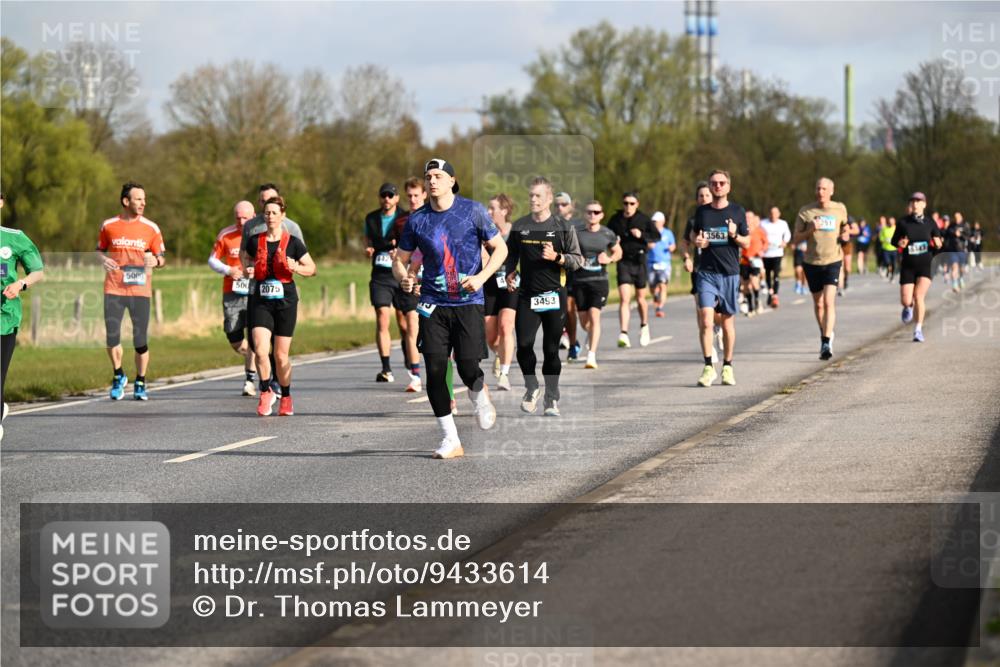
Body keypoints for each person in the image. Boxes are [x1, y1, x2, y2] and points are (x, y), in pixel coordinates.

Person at [394, 158, 507, 460]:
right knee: (434, 369)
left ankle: (479, 392)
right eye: (428, 176)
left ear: (452, 181)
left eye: (438, 176)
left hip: (468, 302)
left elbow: (501, 249)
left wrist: (482, 277)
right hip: (432, 303)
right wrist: (405, 278)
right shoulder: (417, 220)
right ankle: (450, 439)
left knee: (468, 365)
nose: (432, 181)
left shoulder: (473, 211)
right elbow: (400, 259)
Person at [505, 177, 583, 416]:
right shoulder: (520, 226)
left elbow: (578, 260)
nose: (533, 200)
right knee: (524, 345)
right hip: (527, 295)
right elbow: (510, 255)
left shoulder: (563, 226)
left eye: (538, 196)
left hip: (554, 296)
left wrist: (557, 258)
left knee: (551, 350)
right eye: (531, 196)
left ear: (549, 199)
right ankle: (531, 388)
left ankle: (551, 398)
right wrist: (509, 272)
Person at [243, 196, 316, 416]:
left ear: (282, 215)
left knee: (281, 356)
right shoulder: (255, 241)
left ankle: (286, 395)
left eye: (275, 213)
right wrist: (248, 269)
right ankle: (266, 391)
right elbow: (245, 259)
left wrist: (296, 268)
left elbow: (312, 269)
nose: (270, 216)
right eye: (267, 213)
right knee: (260, 348)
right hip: (261, 300)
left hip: (285, 301)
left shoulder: (293, 242)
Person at [96, 182, 165, 401]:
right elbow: (99, 251)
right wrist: (103, 259)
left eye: (144, 199)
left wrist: (155, 260)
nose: (143, 203)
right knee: (112, 336)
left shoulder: (151, 228)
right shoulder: (108, 225)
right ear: (126, 201)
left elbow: (162, 258)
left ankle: (141, 382)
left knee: (140, 340)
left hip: (140, 290)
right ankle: (118, 375)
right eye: (138, 199)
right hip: (114, 287)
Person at [690, 170, 749, 387]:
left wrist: (734, 234)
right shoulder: (702, 212)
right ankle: (708, 367)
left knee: (727, 323)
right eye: (714, 183)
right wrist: (698, 242)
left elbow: (747, 242)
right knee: (706, 320)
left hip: (730, 273)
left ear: (728, 187)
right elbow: (694, 235)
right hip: (706, 272)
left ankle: (728, 366)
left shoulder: (737, 211)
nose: (717, 186)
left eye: (722, 183)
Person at [1, 193, 45, 441]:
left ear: (1, 202)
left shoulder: (14, 238)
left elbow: (37, 271)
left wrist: (20, 284)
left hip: (4, 318)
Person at [364, 182, 418, 386]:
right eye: (383, 195)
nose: (386, 198)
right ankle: (386, 368)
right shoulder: (370, 218)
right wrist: (368, 250)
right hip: (380, 275)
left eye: (390, 195)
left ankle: (409, 352)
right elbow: (367, 241)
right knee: (382, 316)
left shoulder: (404, 218)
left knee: (405, 323)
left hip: (400, 274)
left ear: (396, 198)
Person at [792, 177, 850, 361]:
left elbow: (845, 227)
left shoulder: (840, 208)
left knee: (828, 302)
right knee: (818, 304)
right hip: (811, 262)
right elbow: (796, 239)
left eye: (824, 189)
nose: (821, 192)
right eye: (818, 188)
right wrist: (810, 230)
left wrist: (846, 234)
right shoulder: (806, 211)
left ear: (831, 191)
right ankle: (824, 331)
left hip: (833, 260)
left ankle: (826, 342)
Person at [208, 200, 257, 396]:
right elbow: (212, 260)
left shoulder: (260, 233)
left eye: (245, 218)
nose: (241, 222)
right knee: (235, 338)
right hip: (232, 291)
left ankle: (250, 379)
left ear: (253, 216)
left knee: (254, 336)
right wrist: (228, 270)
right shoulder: (226, 235)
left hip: (255, 291)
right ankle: (261, 359)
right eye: (238, 218)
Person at [573, 200, 621, 369]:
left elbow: (618, 252)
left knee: (595, 316)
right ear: (585, 214)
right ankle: (590, 335)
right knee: (584, 323)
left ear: (601, 215)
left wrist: (609, 259)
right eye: (589, 212)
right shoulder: (577, 233)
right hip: (579, 281)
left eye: (596, 212)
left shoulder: (607, 234)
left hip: (599, 281)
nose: (592, 215)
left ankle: (591, 356)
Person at [607, 191, 657, 348]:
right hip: (623, 261)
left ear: (637, 204)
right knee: (624, 298)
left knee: (641, 298)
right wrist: (613, 241)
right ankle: (624, 333)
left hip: (639, 260)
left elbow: (656, 236)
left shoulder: (644, 219)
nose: (628, 206)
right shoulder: (615, 220)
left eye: (631, 203)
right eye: (625, 203)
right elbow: (606, 236)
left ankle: (644, 326)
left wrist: (641, 234)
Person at [892, 192, 943, 343]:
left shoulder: (930, 222)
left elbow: (938, 241)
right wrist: (899, 244)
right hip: (908, 265)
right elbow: (894, 241)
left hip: (926, 265)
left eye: (918, 201)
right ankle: (907, 307)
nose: (915, 204)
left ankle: (918, 330)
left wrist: (939, 244)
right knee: (907, 300)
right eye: (913, 201)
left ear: (924, 204)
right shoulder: (903, 222)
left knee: (918, 297)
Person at [682, 182, 723, 362]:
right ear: (696, 199)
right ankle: (709, 349)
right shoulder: (692, 221)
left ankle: (718, 327)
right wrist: (687, 258)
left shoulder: (721, 216)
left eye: (707, 195)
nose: (704, 198)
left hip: (720, 270)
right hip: (700, 271)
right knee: (702, 312)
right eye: (701, 195)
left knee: (718, 314)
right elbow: (685, 243)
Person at [395, 177, 426, 391]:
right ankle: (415, 375)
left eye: (417, 195)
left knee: (435, 331)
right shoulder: (401, 222)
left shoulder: (437, 216)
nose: (413, 199)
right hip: (411, 279)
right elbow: (398, 254)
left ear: (424, 195)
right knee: (411, 327)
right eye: (410, 196)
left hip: (435, 281)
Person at [484, 193, 517, 390]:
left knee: (506, 326)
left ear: (504, 211)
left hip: (511, 285)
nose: (488, 212)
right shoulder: (484, 233)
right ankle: (499, 354)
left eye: (492, 208)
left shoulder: (515, 233)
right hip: (489, 285)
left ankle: (504, 374)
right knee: (490, 336)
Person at [554, 192, 587, 361]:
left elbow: (586, 247)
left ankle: (573, 343)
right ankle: (564, 334)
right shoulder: (550, 223)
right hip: (554, 271)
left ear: (571, 206)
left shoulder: (580, 224)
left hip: (575, 272)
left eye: (563, 204)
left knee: (568, 308)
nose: (560, 208)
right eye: (557, 204)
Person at [760, 206, 790, 308]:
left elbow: (787, 235)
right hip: (766, 253)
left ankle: (775, 295)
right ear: (769, 214)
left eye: (775, 213)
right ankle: (770, 291)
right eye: (771, 213)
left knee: (776, 273)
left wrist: (784, 242)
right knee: (768, 274)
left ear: (779, 214)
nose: (773, 215)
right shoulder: (763, 223)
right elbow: (759, 234)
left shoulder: (783, 223)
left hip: (777, 252)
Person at [647, 211, 676, 318]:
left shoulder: (668, 233)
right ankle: (655, 295)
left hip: (665, 263)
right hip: (651, 262)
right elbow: (646, 244)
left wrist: (671, 248)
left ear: (662, 222)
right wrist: (649, 245)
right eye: (653, 221)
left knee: (663, 285)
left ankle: (660, 307)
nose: (654, 223)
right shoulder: (649, 233)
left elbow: (673, 245)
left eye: (656, 221)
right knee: (652, 286)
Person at [739, 211, 768, 316]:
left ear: (753, 218)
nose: (747, 219)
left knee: (754, 282)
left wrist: (762, 251)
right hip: (744, 260)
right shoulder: (741, 230)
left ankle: (757, 300)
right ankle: (750, 307)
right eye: (746, 217)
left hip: (755, 259)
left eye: (749, 217)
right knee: (745, 286)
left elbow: (766, 242)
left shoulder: (759, 230)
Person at [943, 212, 970, 292]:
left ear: (961, 217)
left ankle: (960, 278)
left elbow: (968, 236)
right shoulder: (951, 226)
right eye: (955, 217)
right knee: (954, 267)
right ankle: (954, 284)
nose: (956, 219)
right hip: (952, 250)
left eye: (958, 217)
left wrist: (960, 234)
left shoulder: (965, 225)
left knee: (961, 268)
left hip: (961, 249)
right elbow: (946, 236)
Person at [838, 216, 860, 295]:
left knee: (847, 268)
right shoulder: (834, 216)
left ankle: (845, 280)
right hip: (838, 243)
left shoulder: (849, 218)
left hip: (847, 244)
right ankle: (840, 287)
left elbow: (857, 230)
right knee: (840, 266)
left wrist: (848, 231)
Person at [879, 217, 898, 281]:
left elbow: (900, 237)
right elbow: (880, 238)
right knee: (887, 262)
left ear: (894, 222)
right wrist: (885, 239)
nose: (891, 223)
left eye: (892, 222)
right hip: (886, 249)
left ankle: (892, 275)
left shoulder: (896, 228)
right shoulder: (884, 229)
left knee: (894, 263)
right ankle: (888, 272)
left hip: (894, 249)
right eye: (890, 222)